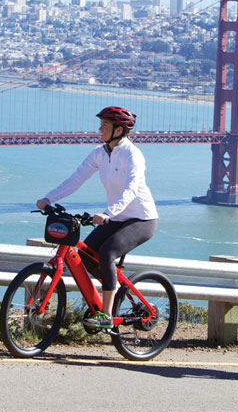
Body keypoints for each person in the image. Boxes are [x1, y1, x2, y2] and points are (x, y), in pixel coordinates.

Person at [36, 105, 158, 329]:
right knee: (85, 256)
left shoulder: (133, 156)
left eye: (105, 125)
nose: (99, 129)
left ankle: (107, 315)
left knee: (107, 252)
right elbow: (76, 179)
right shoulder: (100, 153)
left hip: (142, 219)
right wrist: (48, 198)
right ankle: (115, 293)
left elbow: (130, 191)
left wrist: (107, 213)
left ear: (119, 130)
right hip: (117, 217)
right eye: (100, 124)